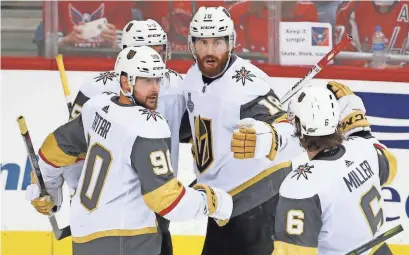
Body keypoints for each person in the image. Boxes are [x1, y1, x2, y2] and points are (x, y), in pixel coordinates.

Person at [25, 46, 233, 255]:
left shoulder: (97, 107)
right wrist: (212, 202)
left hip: (83, 237)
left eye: (157, 80)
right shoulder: (148, 126)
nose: (155, 89)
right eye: (146, 81)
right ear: (125, 82)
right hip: (128, 240)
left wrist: (49, 188)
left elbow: (52, 150)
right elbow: (166, 200)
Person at [182, 6, 304, 255]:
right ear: (191, 44)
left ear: (231, 42)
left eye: (218, 42)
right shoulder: (193, 78)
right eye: (202, 43)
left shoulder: (247, 84)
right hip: (220, 204)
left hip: (257, 203)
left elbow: (294, 136)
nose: (210, 51)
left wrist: (270, 139)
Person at [67, 19, 186, 255]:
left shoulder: (178, 86)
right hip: (114, 207)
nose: (156, 60)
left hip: (152, 204)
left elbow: (198, 134)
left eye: (160, 51)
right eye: (149, 52)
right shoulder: (94, 92)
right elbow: (73, 149)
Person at [272, 83, 397, 254]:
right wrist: (360, 129)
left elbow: (292, 251)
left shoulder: (301, 185)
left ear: (300, 130)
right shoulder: (363, 147)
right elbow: (391, 168)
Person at [335, 0, 409, 68]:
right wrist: (367, 66)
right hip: (363, 78)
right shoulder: (349, 7)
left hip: (408, 80)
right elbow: (343, 53)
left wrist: (397, 69)